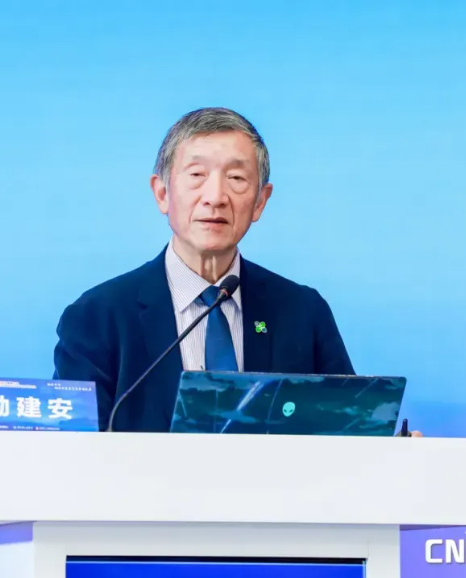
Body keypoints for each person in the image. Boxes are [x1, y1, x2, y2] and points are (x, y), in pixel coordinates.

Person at [53, 107, 417, 435]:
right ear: (162, 193)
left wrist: (396, 453)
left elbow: (348, 432)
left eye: (237, 179)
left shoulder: (303, 313)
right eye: (197, 174)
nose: (215, 196)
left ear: (260, 201)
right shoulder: (97, 318)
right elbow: (70, 455)